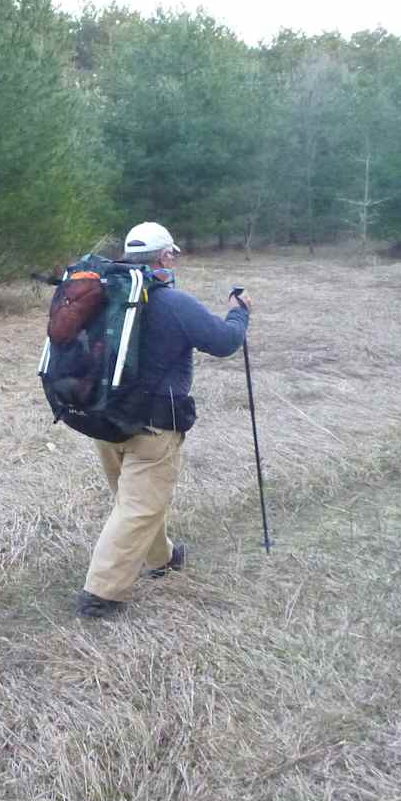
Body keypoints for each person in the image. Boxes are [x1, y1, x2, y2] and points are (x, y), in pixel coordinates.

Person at [75, 221, 252, 619]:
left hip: (102, 417)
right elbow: (224, 343)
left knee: (136, 499)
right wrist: (239, 316)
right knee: (137, 506)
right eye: (172, 252)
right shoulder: (174, 303)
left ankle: (162, 558)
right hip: (153, 425)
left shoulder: (100, 294)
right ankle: (101, 593)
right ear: (165, 256)